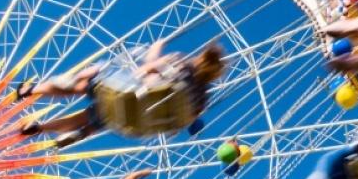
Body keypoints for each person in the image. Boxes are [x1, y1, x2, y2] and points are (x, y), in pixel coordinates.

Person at [19, 40, 225, 148]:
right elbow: (181, 124)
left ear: (201, 58)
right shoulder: (202, 100)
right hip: (136, 124)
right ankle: (45, 129)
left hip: (126, 95)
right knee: (91, 118)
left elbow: (149, 65)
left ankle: (33, 90)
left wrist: (156, 47)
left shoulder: (182, 63)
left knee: (92, 76)